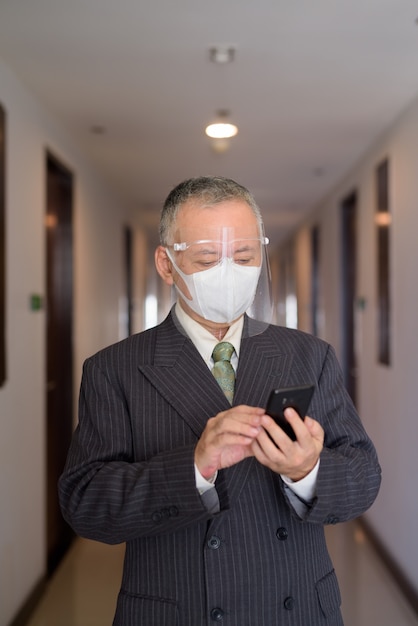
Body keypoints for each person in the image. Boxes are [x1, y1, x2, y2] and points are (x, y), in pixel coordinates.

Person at [59, 176, 381, 626]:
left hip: (297, 609)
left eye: (245, 257)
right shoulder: (114, 369)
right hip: (178, 610)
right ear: (167, 264)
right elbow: (85, 505)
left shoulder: (309, 356)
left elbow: (364, 476)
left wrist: (308, 470)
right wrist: (193, 466)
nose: (229, 273)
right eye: (208, 258)